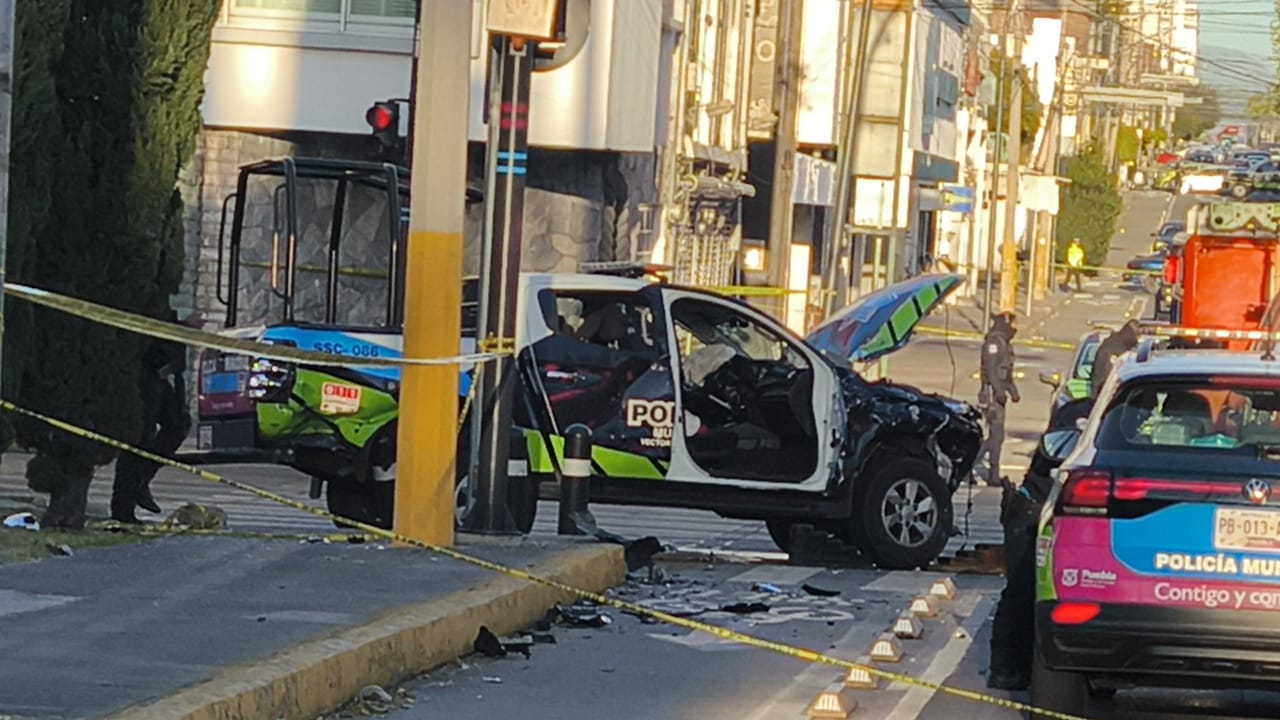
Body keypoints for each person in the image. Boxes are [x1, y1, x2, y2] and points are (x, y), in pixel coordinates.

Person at [987, 398, 1093, 691]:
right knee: (1023, 588)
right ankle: (1006, 667)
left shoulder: (1095, 413)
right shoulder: (1084, 415)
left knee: (1031, 591)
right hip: (1035, 509)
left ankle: (1013, 666)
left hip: (1047, 508)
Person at [111, 311, 198, 523]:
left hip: (159, 371)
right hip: (143, 370)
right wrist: (181, 327)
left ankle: (142, 480)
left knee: (177, 425)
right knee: (139, 437)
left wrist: (181, 326)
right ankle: (123, 509)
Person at [978, 312, 1020, 485]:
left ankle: (992, 473)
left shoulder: (1004, 343)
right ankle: (990, 474)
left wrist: (1013, 391)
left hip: (1000, 394)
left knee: (997, 436)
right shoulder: (994, 342)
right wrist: (999, 391)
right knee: (996, 436)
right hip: (992, 396)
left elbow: (1006, 372)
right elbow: (991, 369)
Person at [1090, 319, 1140, 398]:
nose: (1138, 340)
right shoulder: (1112, 351)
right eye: (1137, 335)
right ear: (1129, 334)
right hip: (1107, 400)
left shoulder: (1122, 349)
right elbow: (1106, 380)